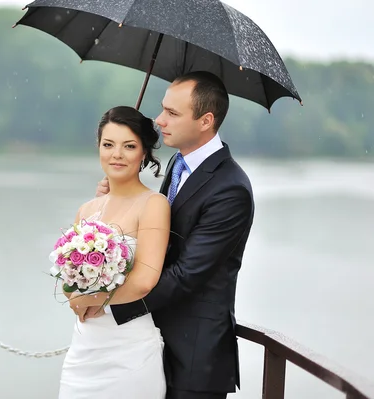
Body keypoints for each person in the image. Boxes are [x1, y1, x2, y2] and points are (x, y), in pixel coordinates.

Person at [70, 71, 255, 399]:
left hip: (194, 355)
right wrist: (116, 198)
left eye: (172, 113)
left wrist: (108, 305)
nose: (158, 120)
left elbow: (186, 275)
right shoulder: (178, 164)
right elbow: (159, 234)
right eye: (162, 109)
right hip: (150, 341)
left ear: (205, 120)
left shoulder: (231, 189)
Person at [57, 105, 171, 399]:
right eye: (108, 145)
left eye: (129, 146)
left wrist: (94, 299)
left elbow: (146, 279)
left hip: (128, 350)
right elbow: (68, 273)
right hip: (84, 348)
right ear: (99, 148)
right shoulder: (88, 209)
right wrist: (75, 297)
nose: (117, 154)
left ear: (144, 152)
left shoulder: (153, 204)